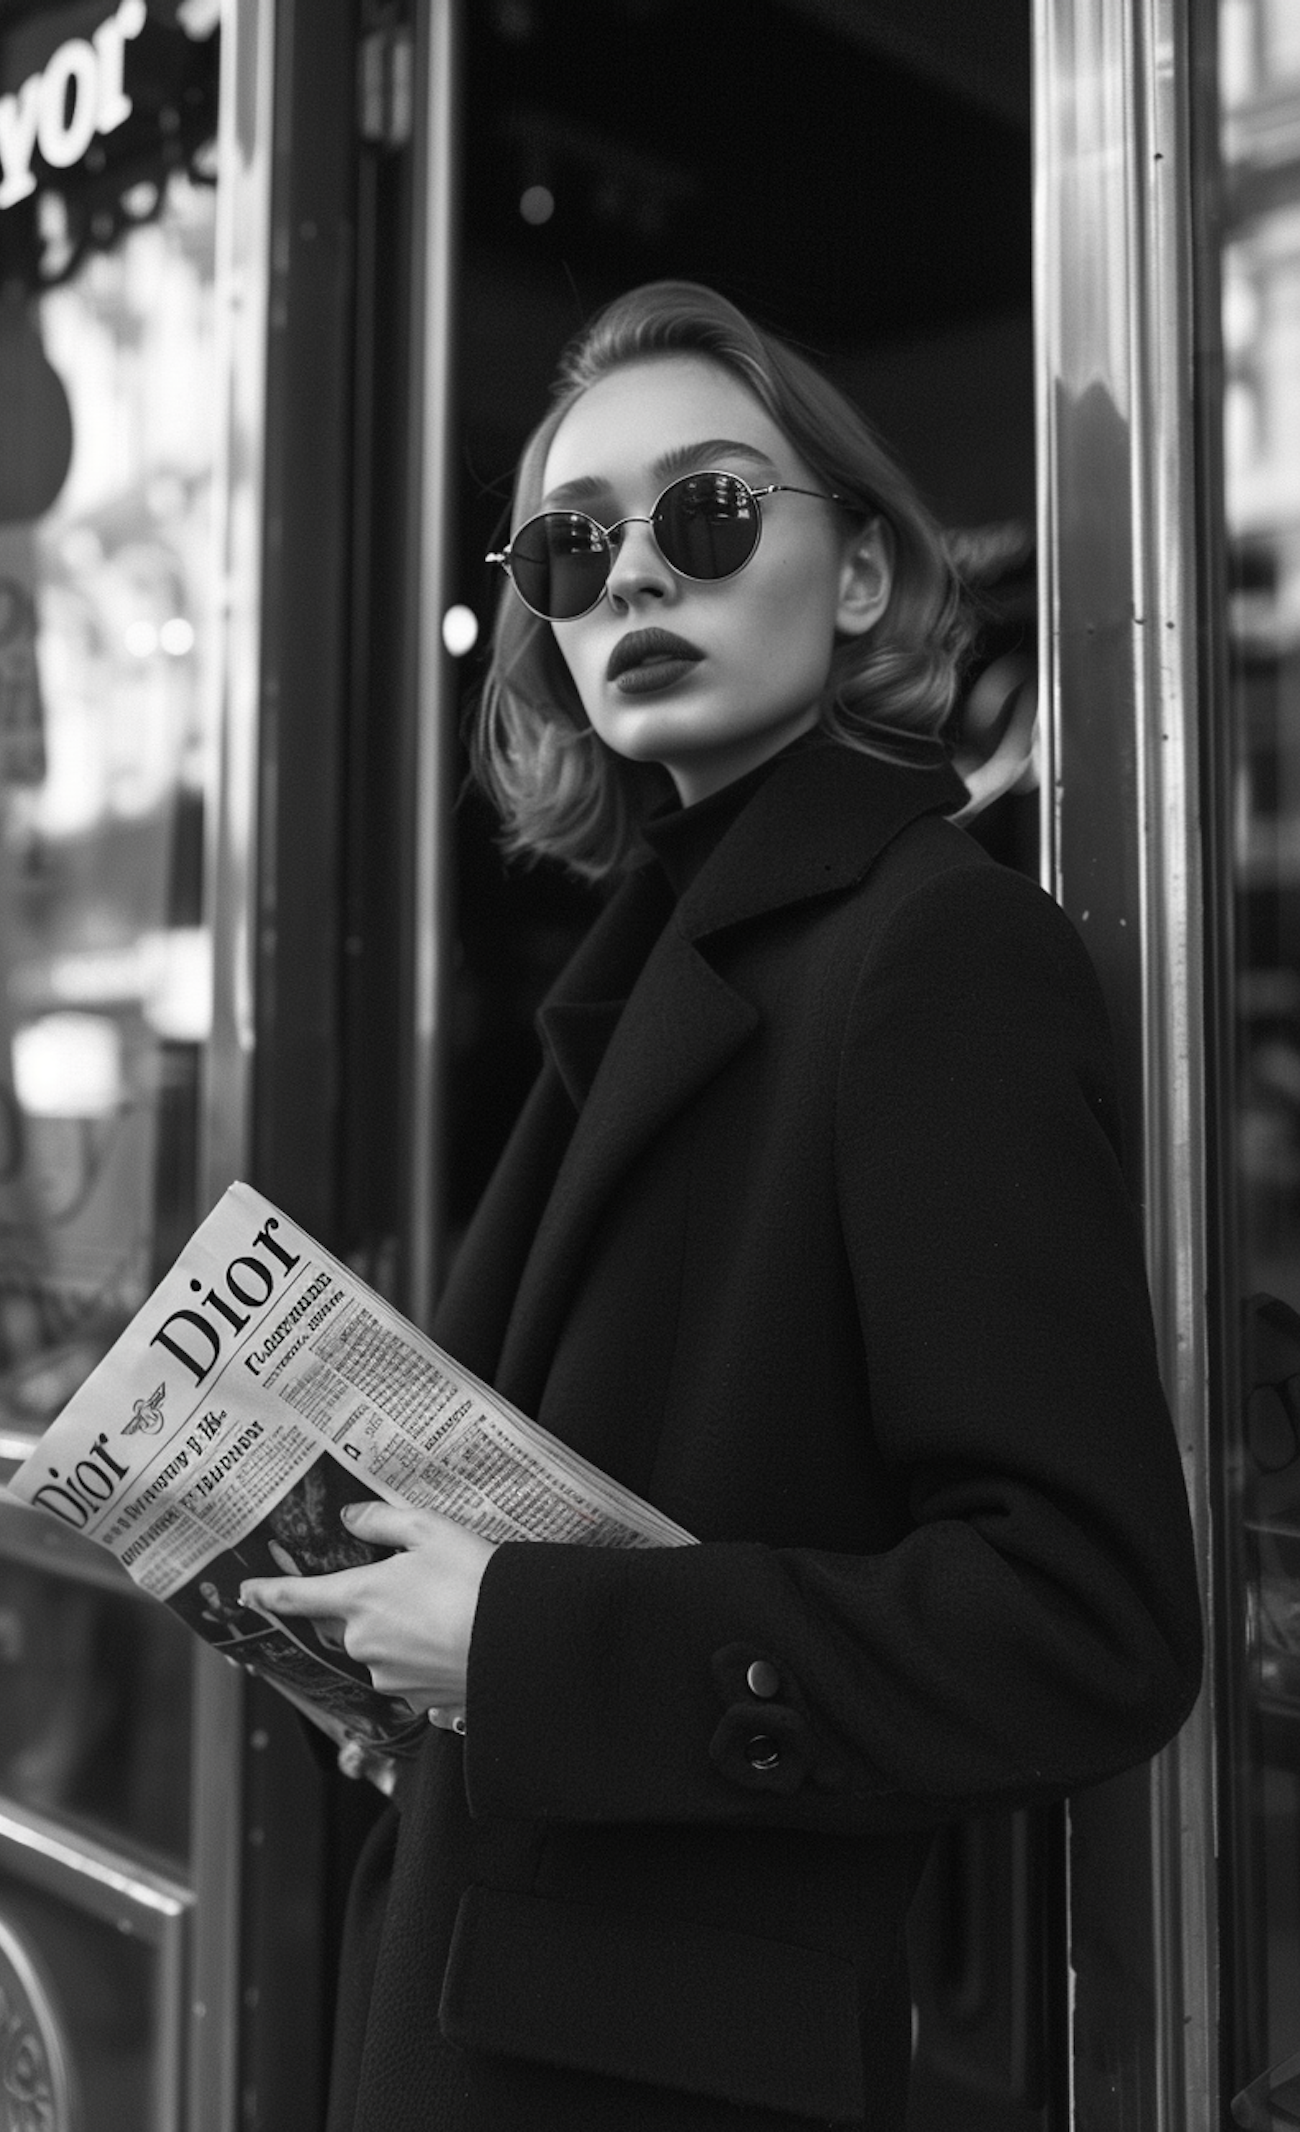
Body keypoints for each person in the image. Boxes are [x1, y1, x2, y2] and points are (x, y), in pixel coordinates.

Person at [238, 281, 1203, 2131]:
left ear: (856, 576)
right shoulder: (654, 965)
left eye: (704, 512)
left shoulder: (929, 952)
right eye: (572, 547)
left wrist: (517, 1650)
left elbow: (1081, 1624)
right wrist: (406, 1635)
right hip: (506, 2003)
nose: (633, 584)